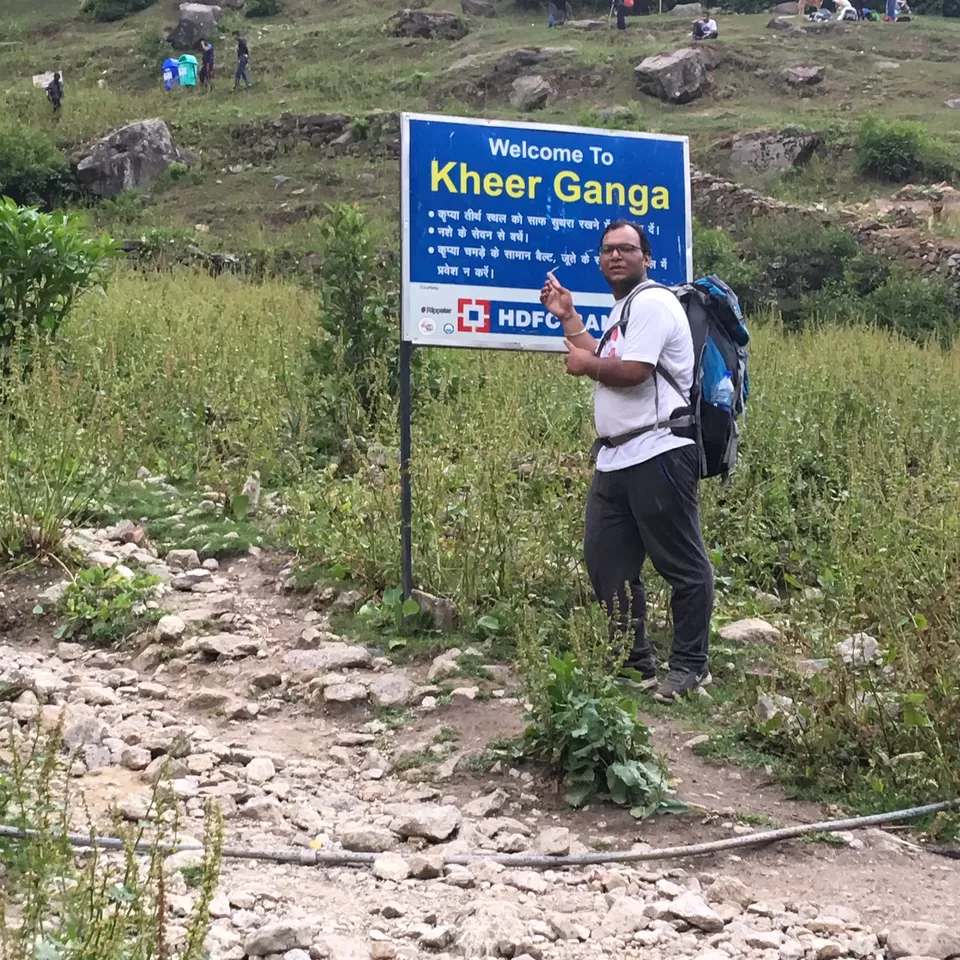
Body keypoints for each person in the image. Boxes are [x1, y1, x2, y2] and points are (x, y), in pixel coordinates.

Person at [539, 221, 714, 703]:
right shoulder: (625, 310)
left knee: (682, 563)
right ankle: (633, 662)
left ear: (647, 258)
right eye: (608, 250)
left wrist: (585, 367)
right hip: (617, 458)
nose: (615, 256)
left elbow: (633, 371)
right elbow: (604, 356)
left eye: (627, 249)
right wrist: (569, 317)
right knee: (606, 561)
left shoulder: (653, 302)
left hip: (659, 449)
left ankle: (691, 667)